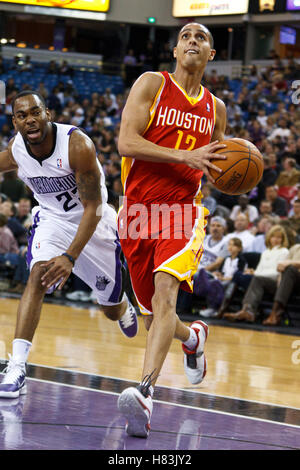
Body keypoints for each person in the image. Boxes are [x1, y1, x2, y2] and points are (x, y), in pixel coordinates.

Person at [116, 23, 228, 437]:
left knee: (166, 293)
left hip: (183, 212)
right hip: (138, 212)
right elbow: (126, 142)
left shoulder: (216, 108)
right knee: (155, 318)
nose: (193, 41)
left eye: (202, 38)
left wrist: (227, 171)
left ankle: (145, 395)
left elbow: (214, 165)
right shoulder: (152, 85)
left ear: (211, 55)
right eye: (186, 37)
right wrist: (187, 154)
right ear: (176, 49)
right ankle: (193, 338)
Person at [0, 90, 138, 398]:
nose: (30, 120)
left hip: (95, 223)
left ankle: (122, 305)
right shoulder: (17, 149)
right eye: (22, 115)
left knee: (110, 308)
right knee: (37, 275)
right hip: (52, 222)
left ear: (48, 114)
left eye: (35, 112)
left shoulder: (77, 146)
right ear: (15, 122)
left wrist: (70, 257)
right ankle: (17, 367)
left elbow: (93, 208)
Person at [223, 225, 289, 323]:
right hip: (260, 279)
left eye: (279, 237)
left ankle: (244, 310)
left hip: (274, 283)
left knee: (254, 279)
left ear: (283, 239)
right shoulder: (266, 252)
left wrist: (256, 273)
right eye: (273, 236)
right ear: (269, 238)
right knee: (240, 275)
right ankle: (243, 310)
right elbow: (259, 269)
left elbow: (276, 273)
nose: (276, 239)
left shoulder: (284, 251)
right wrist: (252, 272)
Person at [262, 243, 300, 326]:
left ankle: (275, 313)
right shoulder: (295, 247)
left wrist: (291, 262)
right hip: (289, 281)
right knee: (258, 279)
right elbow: (282, 266)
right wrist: (280, 279)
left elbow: (287, 264)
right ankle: (248, 311)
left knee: (290, 269)